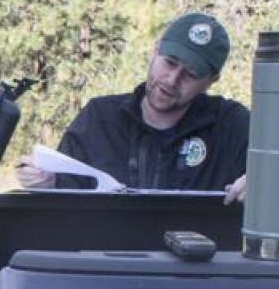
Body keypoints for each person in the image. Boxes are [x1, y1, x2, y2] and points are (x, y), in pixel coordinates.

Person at [16, 12, 250, 203]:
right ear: (155, 50)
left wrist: (262, 185)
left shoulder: (231, 127)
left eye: (189, 74)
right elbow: (64, 196)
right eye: (169, 63)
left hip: (199, 258)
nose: (171, 80)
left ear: (211, 80)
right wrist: (48, 183)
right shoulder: (99, 119)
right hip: (106, 257)